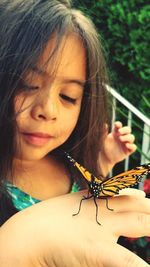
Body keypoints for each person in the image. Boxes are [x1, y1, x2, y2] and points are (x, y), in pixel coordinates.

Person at [0, 0, 149, 266]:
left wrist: (103, 162)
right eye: (27, 84)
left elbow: (93, 198)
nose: (48, 109)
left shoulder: (70, 163)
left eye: (68, 97)